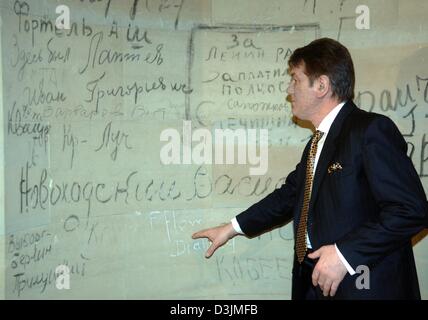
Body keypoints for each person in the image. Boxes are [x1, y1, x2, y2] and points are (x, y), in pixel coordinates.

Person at [192, 38, 428, 300]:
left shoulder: (370, 130)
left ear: (322, 85)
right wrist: (231, 228)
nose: (289, 89)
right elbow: (290, 196)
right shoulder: (316, 144)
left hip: (364, 287)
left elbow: (411, 210)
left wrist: (344, 254)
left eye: (295, 79)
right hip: (315, 285)